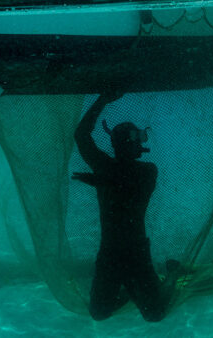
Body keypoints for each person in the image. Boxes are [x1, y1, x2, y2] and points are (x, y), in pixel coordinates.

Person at [73, 94, 175, 322]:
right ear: (126, 144)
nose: (142, 143)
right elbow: (80, 136)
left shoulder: (146, 170)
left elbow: (129, 186)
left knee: (155, 315)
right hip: (110, 251)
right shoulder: (108, 168)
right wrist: (102, 99)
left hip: (136, 251)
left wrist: (101, 181)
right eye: (138, 139)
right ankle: (131, 289)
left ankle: (168, 275)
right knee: (98, 313)